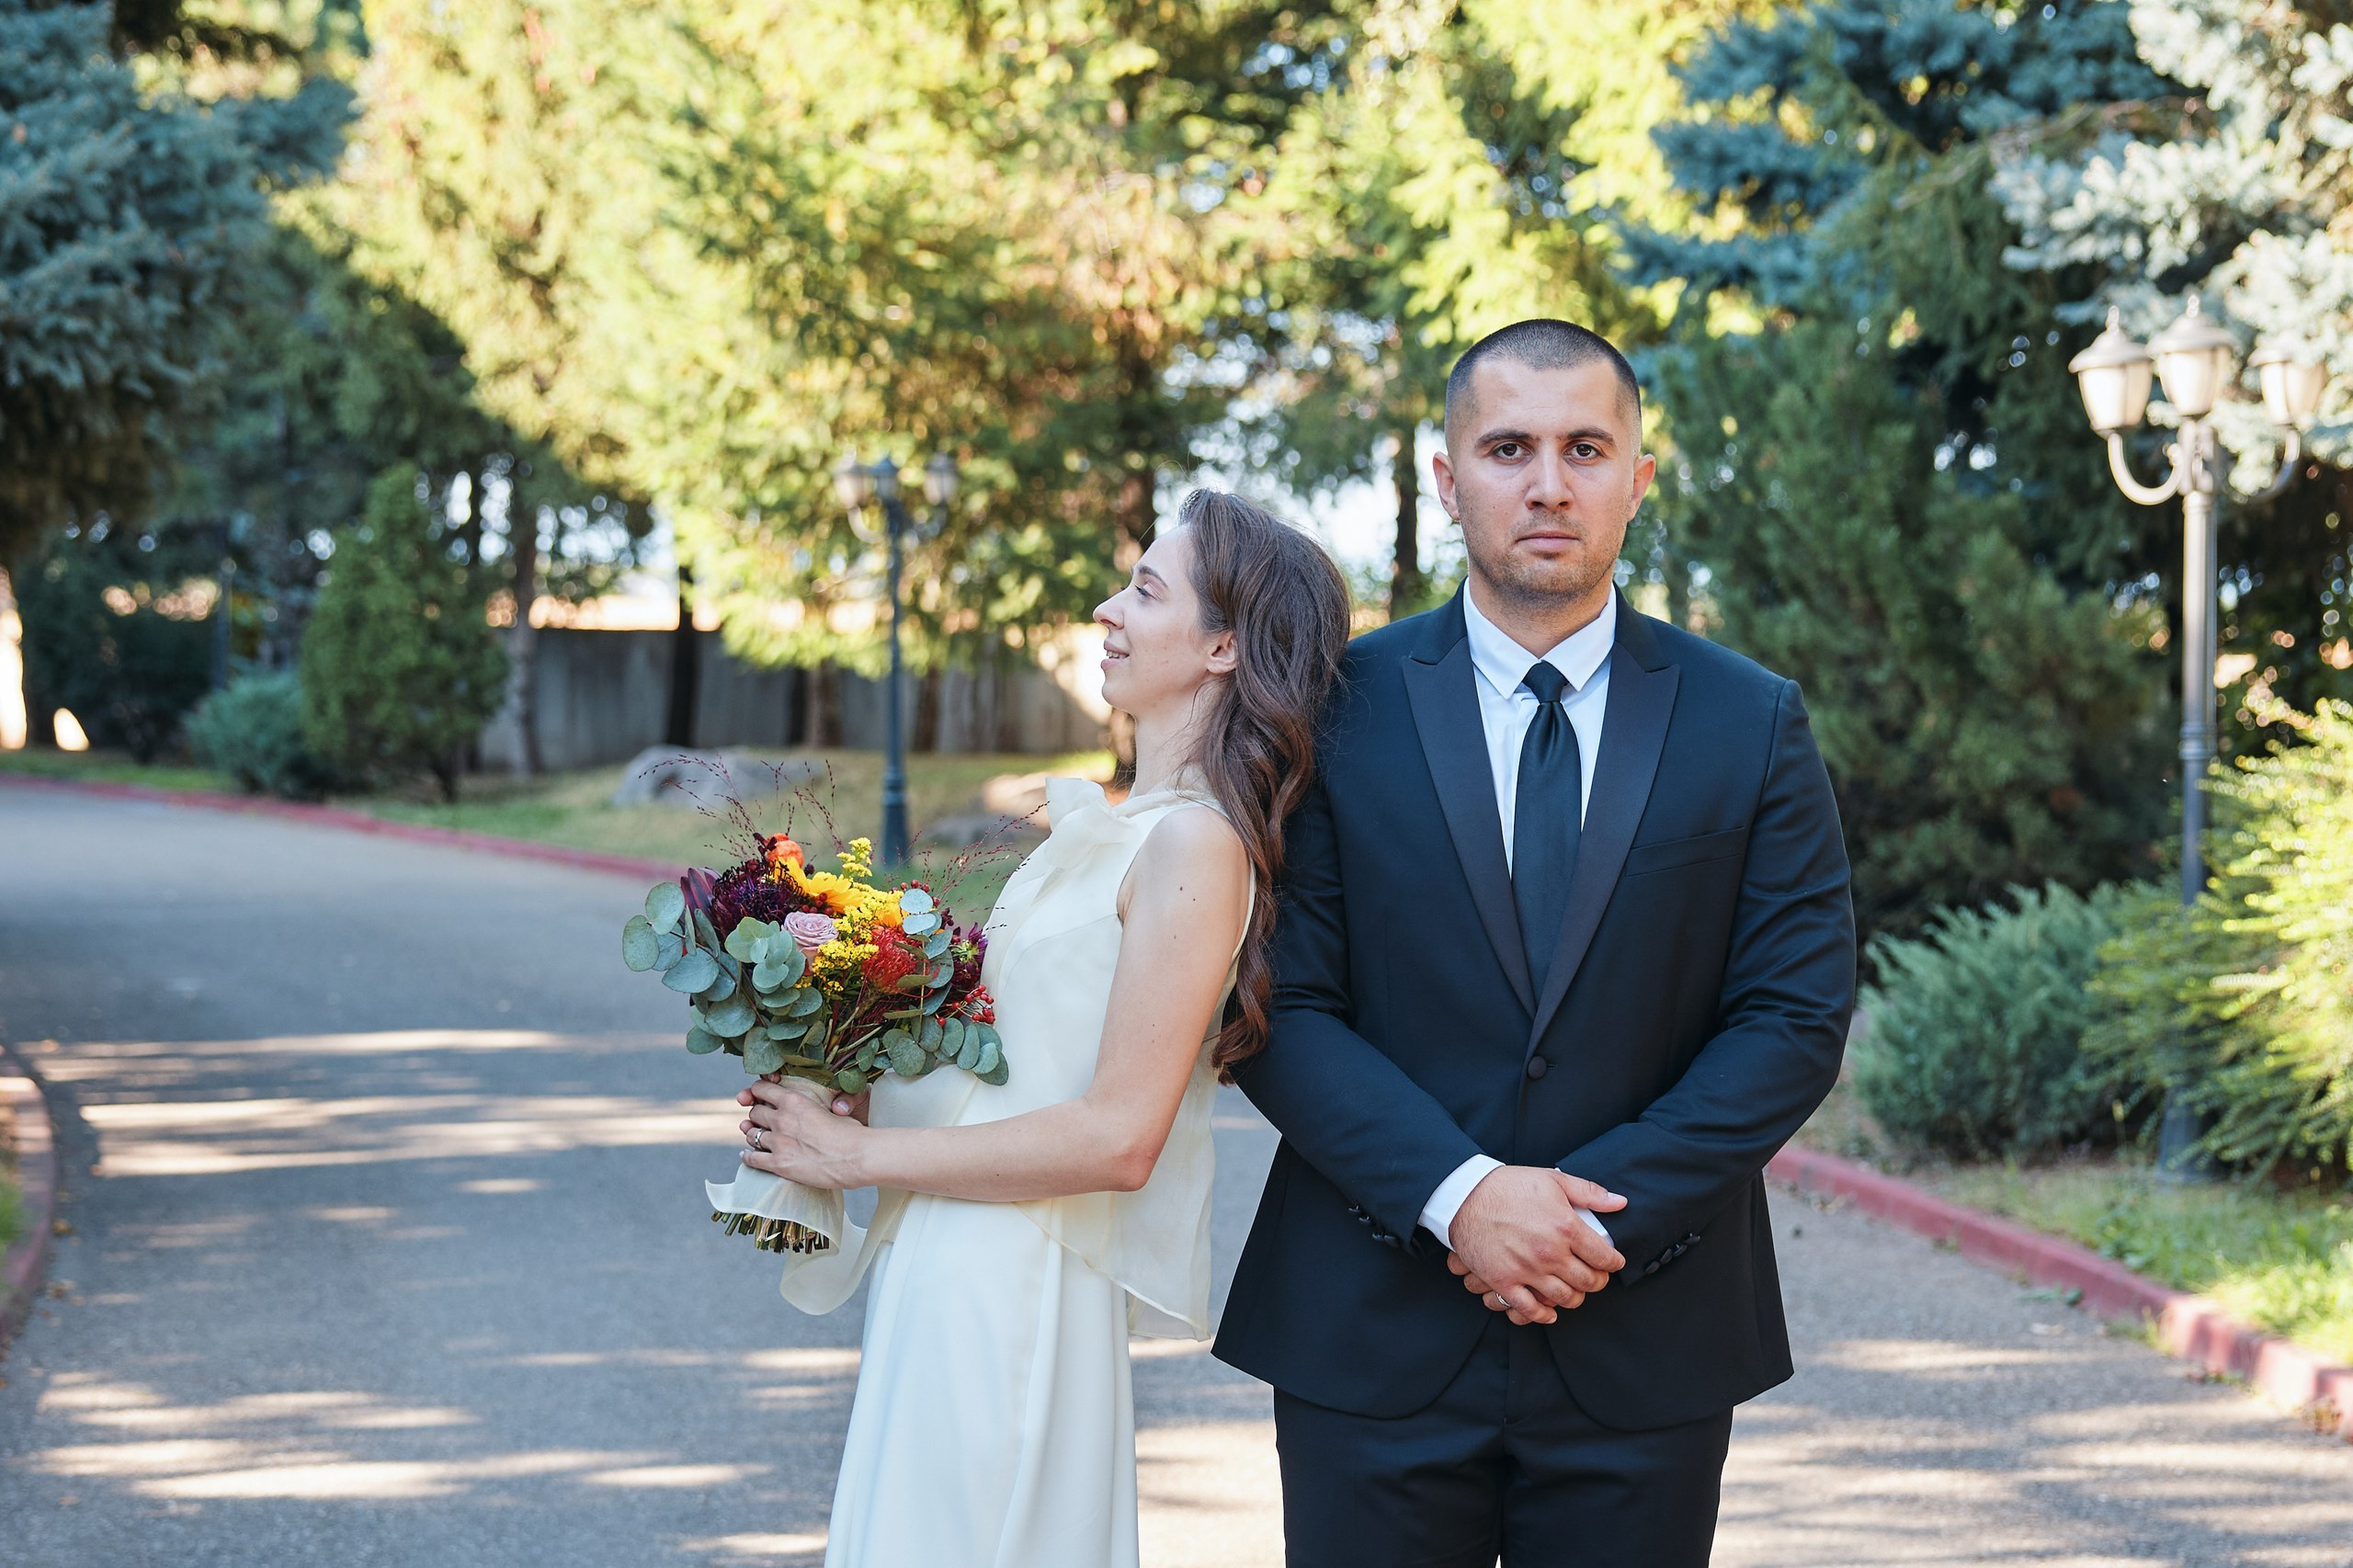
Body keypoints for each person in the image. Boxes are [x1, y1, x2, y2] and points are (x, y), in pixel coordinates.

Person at [1213, 318, 1858, 1566]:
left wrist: (1585, 1224)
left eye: (1585, 448)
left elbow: (1790, 1018)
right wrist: (1462, 1201)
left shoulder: (1752, 720)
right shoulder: (1329, 709)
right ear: (1449, 478)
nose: (1549, 483)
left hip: (1648, 1330)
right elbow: (1280, 1002)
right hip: (1371, 1321)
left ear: (1637, 477)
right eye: (1509, 448)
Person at [733, 489, 1352, 1568]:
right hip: (952, 1246)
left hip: (1018, 1275)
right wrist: (844, 1073)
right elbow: (1017, 1071)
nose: (1107, 608)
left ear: (1220, 646)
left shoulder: (1195, 848)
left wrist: (859, 1151)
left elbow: (1121, 1134)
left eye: (1145, 590)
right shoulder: (1127, 827)